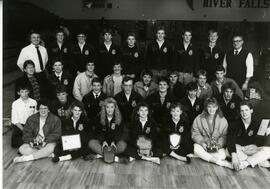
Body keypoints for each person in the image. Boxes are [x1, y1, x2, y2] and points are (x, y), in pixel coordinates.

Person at [13, 99, 61, 163]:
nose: (43, 110)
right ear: (38, 109)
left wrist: (45, 141)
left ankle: (28, 158)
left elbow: (56, 134)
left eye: (45, 108)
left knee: (51, 147)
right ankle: (46, 154)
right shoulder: (31, 119)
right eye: (41, 108)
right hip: (35, 143)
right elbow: (26, 133)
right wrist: (31, 141)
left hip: (48, 143)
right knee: (22, 149)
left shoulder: (55, 119)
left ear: (49, 110)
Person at [227, 101, 270, 171]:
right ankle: (257, 161)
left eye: (246, 110)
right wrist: (234, 156)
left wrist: (255, 144)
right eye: (242, 111)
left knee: (269, 150)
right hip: (239, 149)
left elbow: (259, 140)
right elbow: (230, 141)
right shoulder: (234, 124)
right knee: (229, 151)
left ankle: (246, 163)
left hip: (251, 150)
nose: (244, 113)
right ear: (240, 112)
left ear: (251, 110)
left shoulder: (257, 123)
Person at [191, 98, 232, 168]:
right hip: (203, 146)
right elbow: (195, 133)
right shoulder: (198, 118)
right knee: (195, 147)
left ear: (217, 107)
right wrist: (202, 143)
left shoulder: (223, 120)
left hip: (216, 147)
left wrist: (218, 145)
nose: (211, 109)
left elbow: (224, 136)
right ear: (206, 107)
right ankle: (220, 162)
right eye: (209, 107)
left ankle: (201, 156)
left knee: (223, 155)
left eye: (214, 107)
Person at [88, 98, 127, 163]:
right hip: (103, 144)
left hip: (114, 144)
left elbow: (120, 132)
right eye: (107, 107)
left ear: (115, 108)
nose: (109, 109)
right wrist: (103, 141)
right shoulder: (99, 118)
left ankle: (102, 155)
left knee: (123, 145)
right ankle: (112, 156)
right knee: (91, 143)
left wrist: (114, 141)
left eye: (112, 107)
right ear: (104, 108)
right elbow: (97, 132)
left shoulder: (119, 118)